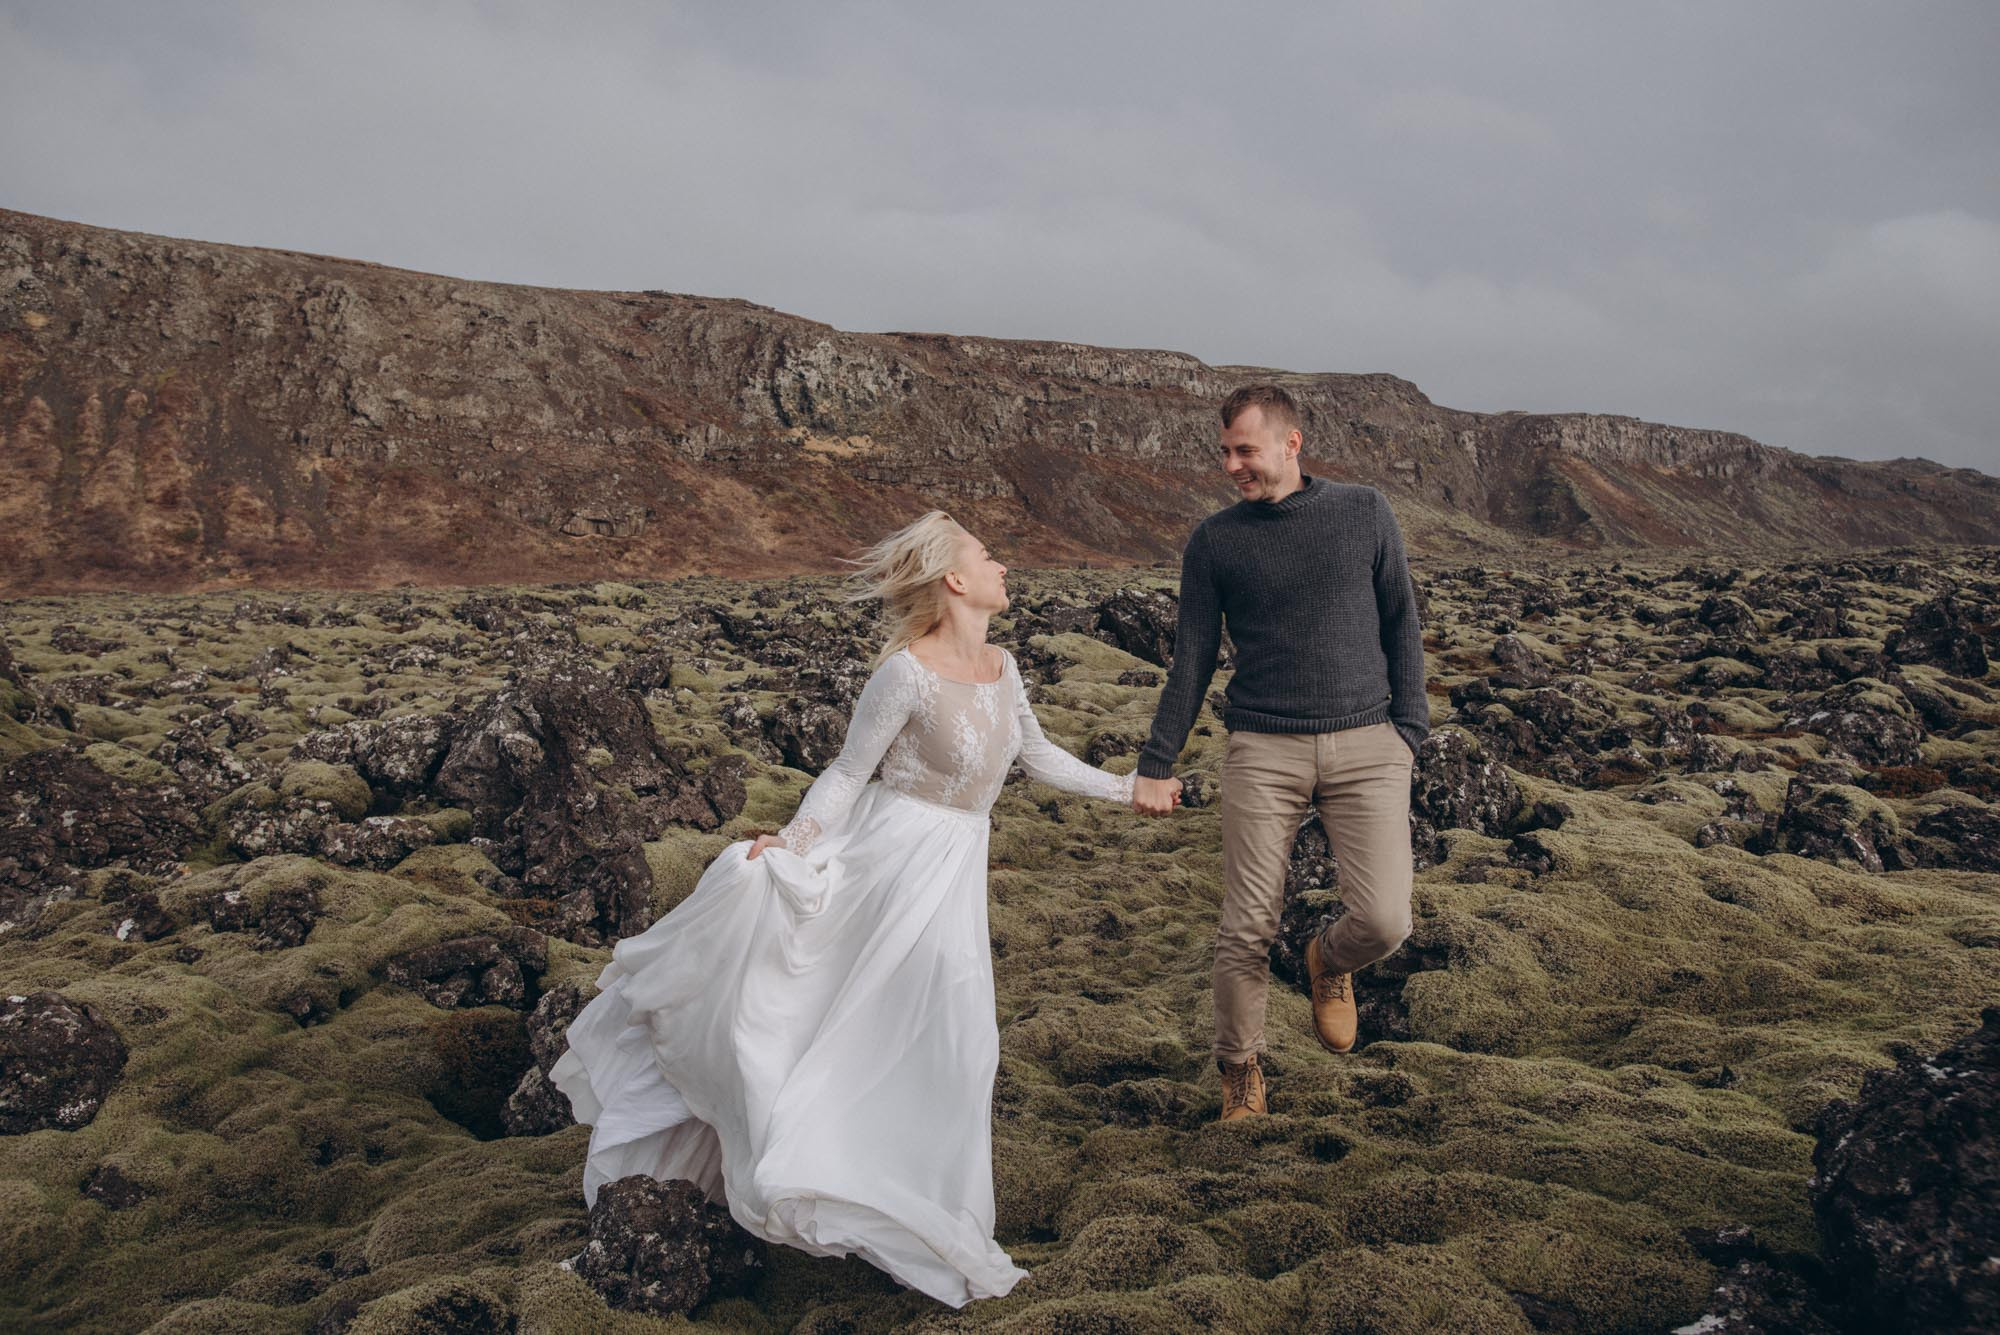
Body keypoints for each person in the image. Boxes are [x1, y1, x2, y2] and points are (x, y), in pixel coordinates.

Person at [549, 511, 1173, 1308]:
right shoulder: (904, 674)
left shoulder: (1005, 667)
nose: (1003, 566)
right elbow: (848, 775)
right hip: (884, 868)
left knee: (960, 1042)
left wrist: (1130, 788)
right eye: (987, 556)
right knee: (854, 1024)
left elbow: (1038, 754)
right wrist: (794, 841)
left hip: (949, 875)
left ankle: (927, 1209)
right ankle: (816, 1171)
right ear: (954, 578)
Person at [1132, 383, 1428, 1122]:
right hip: (1264, 747)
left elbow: (1402, 622)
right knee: (1246, 924)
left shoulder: (1364, 512)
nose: (1233, 465)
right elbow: (1192, 658)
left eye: (1246, 450)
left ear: (1292, 443)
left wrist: (1409, 733)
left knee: (1388, 919)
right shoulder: (1216, 542)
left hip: (1369, 742)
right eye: (1225, 451)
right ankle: (1241, 1073)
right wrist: (1155, 761)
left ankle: (1328, 960)